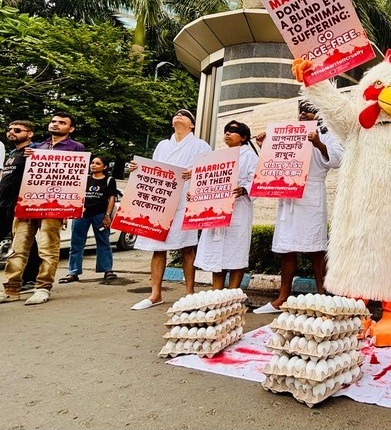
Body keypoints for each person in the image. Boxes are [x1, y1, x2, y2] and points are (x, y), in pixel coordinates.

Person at [255, 101, 343, 313]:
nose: (304, 113)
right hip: (288, 195)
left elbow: (338, 159)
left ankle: (324, 295)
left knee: (316, 248)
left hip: (311, 196)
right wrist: (265, 145)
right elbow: (273, 163)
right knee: (286, 248)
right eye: (301, 110)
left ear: (319, 114)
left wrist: (319, 144)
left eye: (310, 110)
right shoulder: (288, 135)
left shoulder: (327, 134)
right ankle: (282, 297)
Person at [1, 111, 86, 305]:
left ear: (70, 129)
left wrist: (67, 209)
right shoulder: (39, 146)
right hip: (28, 204)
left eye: (61, 123)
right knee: (18, 247)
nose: (55, 124)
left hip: (53, 206)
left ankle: (42, 287)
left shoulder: (76, 148)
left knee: (48, 248)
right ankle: (11, 288)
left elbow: (76, 180)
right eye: (53, 121)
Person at [130, 109, 211, 310]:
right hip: (161, 200)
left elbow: (210, 169)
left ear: (192, 124)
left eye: (184, 114)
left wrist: (195, 171)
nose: (179, 115)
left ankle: (190, 293)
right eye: (176, 114)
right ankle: (155, 294)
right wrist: (136, 169)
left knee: (187, 247)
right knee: (158, 248)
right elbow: (153, 169)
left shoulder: (201, 145)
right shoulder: (163, 145)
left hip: (185, 199)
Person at [194, 120, 259, 290]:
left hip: (238, 209)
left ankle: (233, 293)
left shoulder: (251, 157)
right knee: (217, 254)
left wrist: (244, 189)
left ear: (244, 137)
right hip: (217, 211)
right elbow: (205, 182)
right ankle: (217, 293)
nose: (227, 133)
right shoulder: (218, 157)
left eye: (233, 131)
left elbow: (258, 182)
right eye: (226, 131)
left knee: (236, 250)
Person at [59, 156, 118, 283]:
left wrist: (107, 216)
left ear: (105, 167)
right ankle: (73, 272)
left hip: (100, 215)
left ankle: (107, 270)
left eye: (97, 163)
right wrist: (67, 213)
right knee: (76, 243)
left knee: (103, 242)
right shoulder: (84, 179)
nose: (93, 165)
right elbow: (75, 196)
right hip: (81, 215)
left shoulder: (109, 180)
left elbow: (111, 199)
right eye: (92, 163)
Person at [0, 120, 40, 291]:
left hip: (20, 204)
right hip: (4, 203)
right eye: (9, 129)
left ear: (29, 133)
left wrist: (37, 154)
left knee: (27, 241)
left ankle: (30, 279)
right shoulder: (12, 154)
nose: (11, 132)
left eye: (17, 130)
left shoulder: (33, 152)